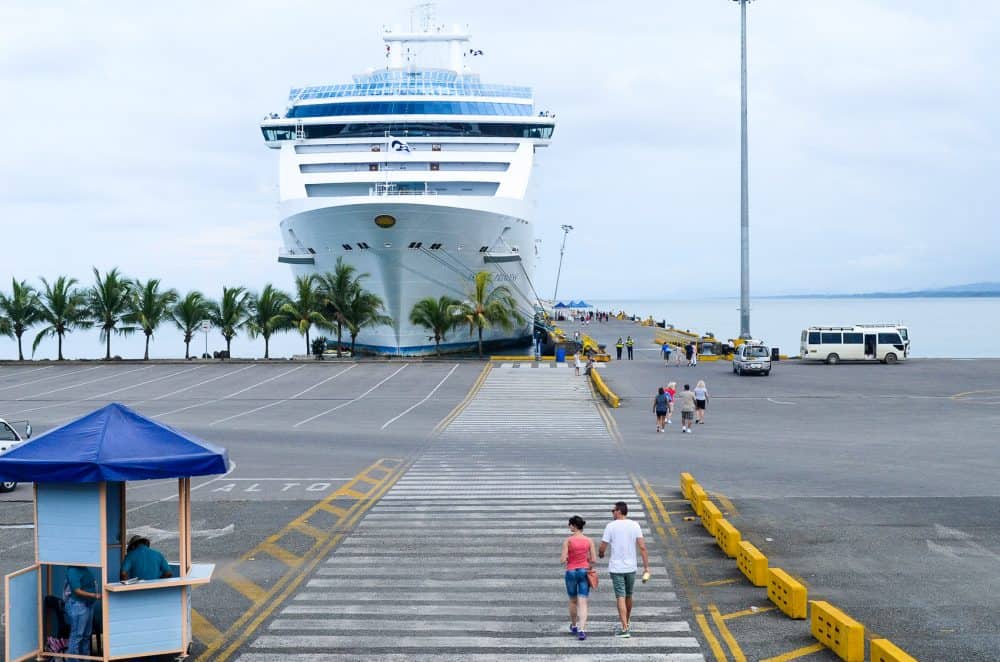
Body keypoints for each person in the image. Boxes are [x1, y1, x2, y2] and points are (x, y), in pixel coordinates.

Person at [599, 501, 649, 638]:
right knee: (628, 595)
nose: (612, 512)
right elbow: (642, 547)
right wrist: (646, 568)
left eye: (613, 510)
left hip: (616, 568)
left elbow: (603, 546)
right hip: (631, 567)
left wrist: (601, 554)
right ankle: (626, 621)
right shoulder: (635, 525)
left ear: (619, 511)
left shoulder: (610, 526)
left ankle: (625, 628)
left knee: (620, 596)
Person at [561, 515, 596, 641]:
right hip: (583, 571)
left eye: (569, 524)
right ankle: (582, 630)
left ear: (574, 526)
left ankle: (574, 625)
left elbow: (562, 559)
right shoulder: (589, 540)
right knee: (583, 602)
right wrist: (586, 562)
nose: (569, 526)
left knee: (572, 600)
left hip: (571, 572)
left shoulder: (568, 541)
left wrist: (570, 558)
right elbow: (593, 559)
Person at [64, 565, 100, 660]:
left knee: (86, 636)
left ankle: (86, 659)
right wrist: (94, 595)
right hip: (79, 605)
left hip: (88, 604)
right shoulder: (73, 570)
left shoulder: (84, 567)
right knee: (77, 636)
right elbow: (77, 590)